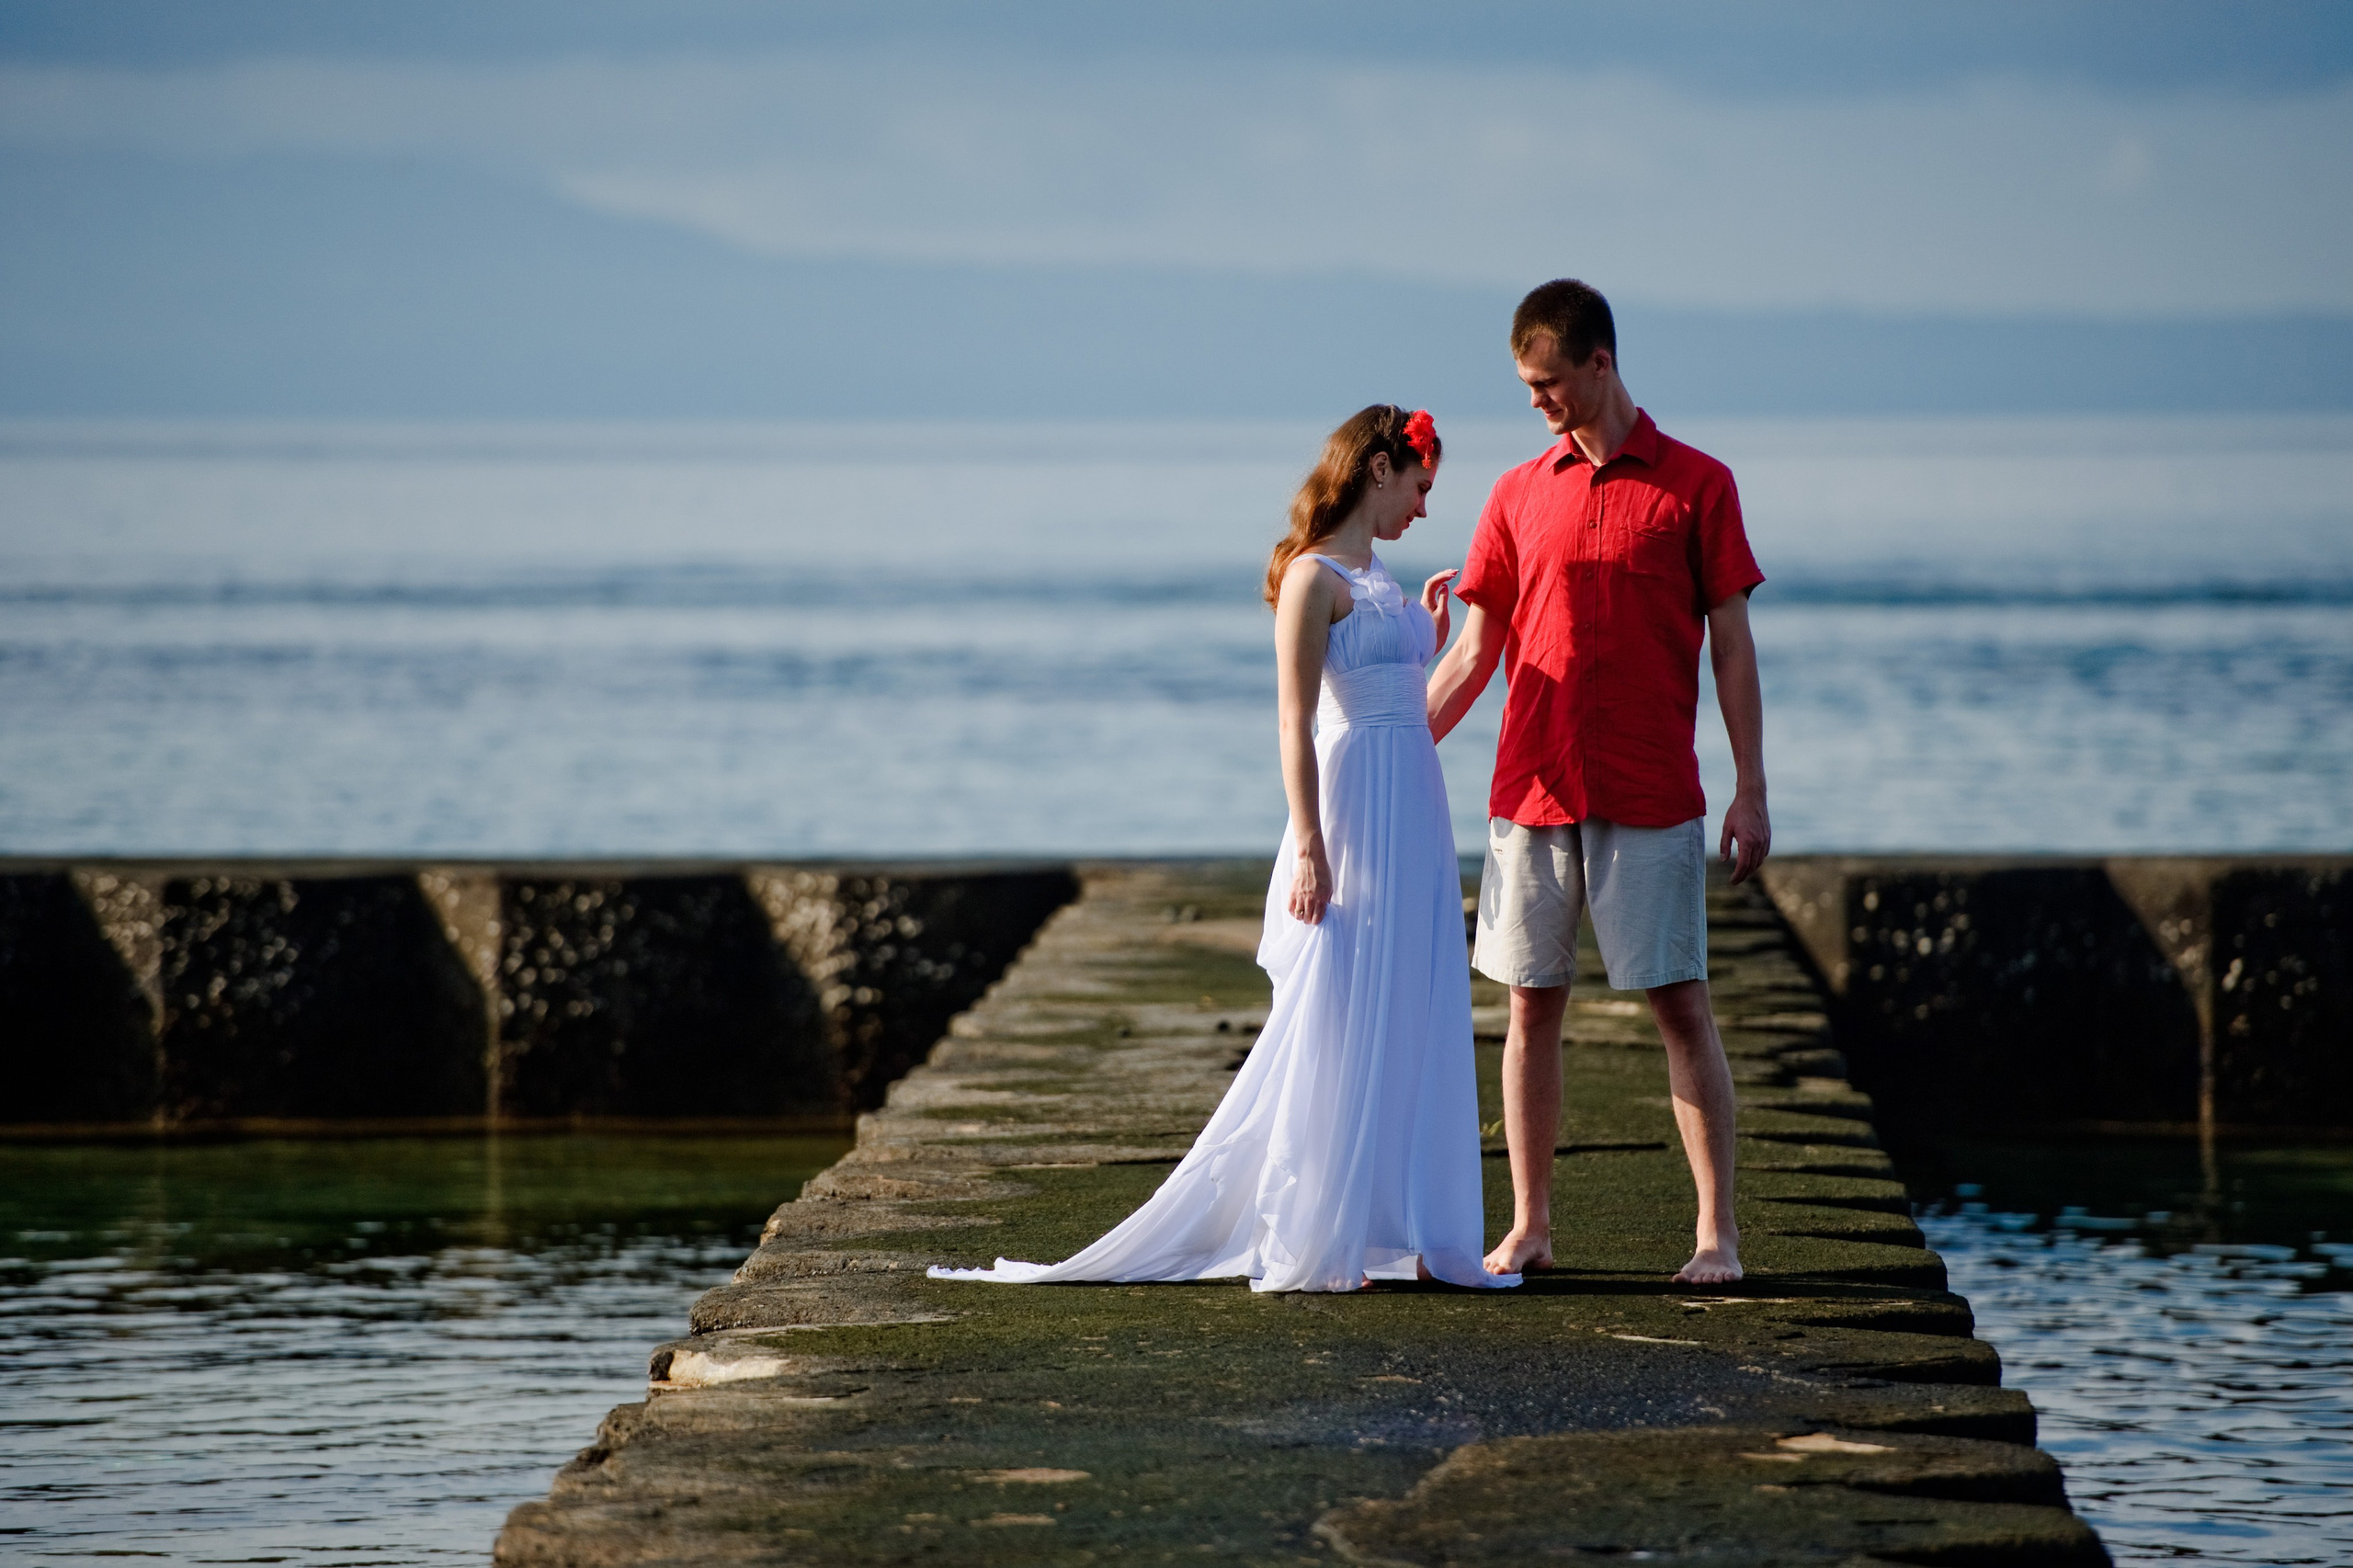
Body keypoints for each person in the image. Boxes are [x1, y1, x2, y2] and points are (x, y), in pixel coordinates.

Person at [930, 405, 1518, 1293]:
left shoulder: (1381, 576)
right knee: (1338, 1004)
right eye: (1420, 485)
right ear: (1379, 470)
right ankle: (1324, 1225)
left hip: (1416, 810)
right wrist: (1310, 845)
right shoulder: (1313, 577)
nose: (1426, 507)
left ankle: (1403, 1224)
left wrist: (1425, 632)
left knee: (1412, 1000)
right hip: (1353, 808)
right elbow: (1294, 721)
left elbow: (1400, 693)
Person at [1426, 279, 1768, 1288]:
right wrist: (1388, 745)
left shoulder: (1698, 485)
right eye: (1527, 387)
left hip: (1650, 786)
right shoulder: (1514, 493)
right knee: (1529, 1008)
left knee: (1679, 1006)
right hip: (1530, 787)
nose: (1537, 402)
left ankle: (1716, 1235)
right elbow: (1475, 652)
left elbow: (1733, 650)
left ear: (1600, 363)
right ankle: (1530, 1226)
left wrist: (1750, 788)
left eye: (1548, 383)